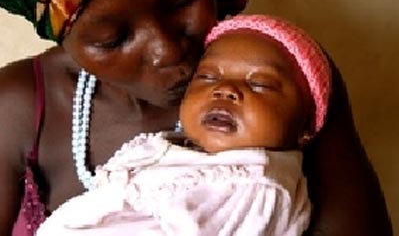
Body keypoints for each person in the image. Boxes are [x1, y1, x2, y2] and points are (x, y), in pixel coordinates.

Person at [0, 0, 392, 236]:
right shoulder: (18, 106)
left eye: (181, 0)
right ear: (64, 42)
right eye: (112, 39)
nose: (167, 51)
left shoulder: (285, 73)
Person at [36, 14, 331, 236]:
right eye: (208, 77)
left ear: (305, 127)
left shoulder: (254, 188)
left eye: (259, 83)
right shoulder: (191, 157)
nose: (225, 90)